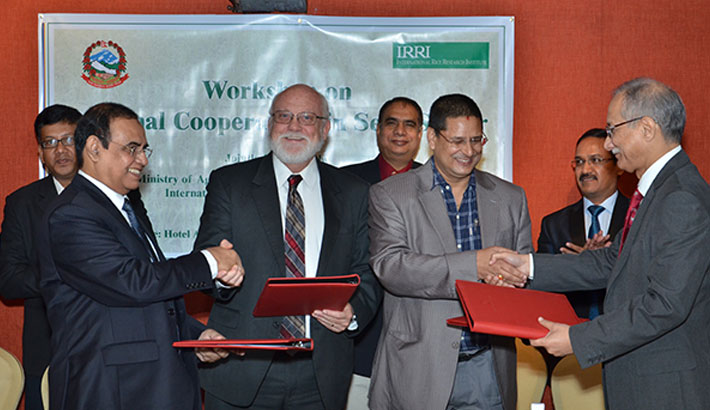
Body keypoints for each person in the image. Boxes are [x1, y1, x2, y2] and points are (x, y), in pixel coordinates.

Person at [492, 78, 710, 409]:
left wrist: (577, 339)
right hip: (641, 380)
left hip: (665, 389)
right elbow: (612, 262)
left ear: (646, 128)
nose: (608, 144)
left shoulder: (681, 197)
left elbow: (665, 305)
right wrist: (528, 266)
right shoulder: (660, 190)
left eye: (613, 130)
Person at [38, 102, 244, 410]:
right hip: (110, 391)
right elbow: (133, 283)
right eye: (132, 148)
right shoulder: (71, 213)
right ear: (94, 148)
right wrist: (210, 261)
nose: (143, 160)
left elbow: (147, 302)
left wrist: (195, 337)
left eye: (145, 149)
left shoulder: (126, 208)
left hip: (153, 386)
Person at [193, 84, 381, 410]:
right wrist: (222, 274)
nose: (294, 126)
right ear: (269, 124)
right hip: (242, 364)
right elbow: (209, 260)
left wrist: (354, 312)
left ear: (325, 128)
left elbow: (367, 269)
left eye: (306, 117)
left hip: (321, 372)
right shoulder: (230, 183)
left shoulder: (353, 191)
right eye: (284, 116)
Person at [368, 93, 533, 410]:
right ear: (432, 137)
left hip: (489, 367)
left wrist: (511, 284)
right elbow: (392, 268)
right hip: (418, 367)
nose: (469, 151)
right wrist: (475, 266)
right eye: (457, 141)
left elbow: (524, 273)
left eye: (476, 140)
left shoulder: (511, 197)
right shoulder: (392, 194)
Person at [341, 96, 423, 410]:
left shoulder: (440, 185)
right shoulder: (345, 182)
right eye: (391, 122)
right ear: (377, 130)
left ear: (420, 134)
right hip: (358, 342)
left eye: (409, 124)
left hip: (420, 340)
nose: (400, 131)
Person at [0, 104, 80, 410]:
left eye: (68, 139)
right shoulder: (22, 204)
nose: (60, 150)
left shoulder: (116, 197)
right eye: (50, 143)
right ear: (40, 153)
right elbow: (8, 281)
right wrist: (66, 273)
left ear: (86, 143)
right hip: (47, 351)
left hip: (108, 351)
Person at [537, 128, 629, 319]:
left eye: (596, 160)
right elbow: (542, 291)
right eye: (579, 162)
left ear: (619, 165)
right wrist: (576, 268)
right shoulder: (554, 226)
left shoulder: (638, 217)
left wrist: (599, 263)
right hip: (569, 338)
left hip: (626, 335)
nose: (585, 170)